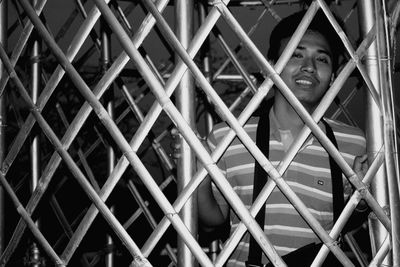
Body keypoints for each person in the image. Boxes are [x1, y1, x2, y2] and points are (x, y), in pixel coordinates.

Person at [197, 9, 368, 267]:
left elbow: (353, 219)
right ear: (270, 67)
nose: (308, 67)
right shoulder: (228, 136)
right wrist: (195, 168)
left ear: (334, 76)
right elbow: (213, 221)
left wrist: (360, 198)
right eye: (296, 55)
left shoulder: (352, 143)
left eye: (322, 59)